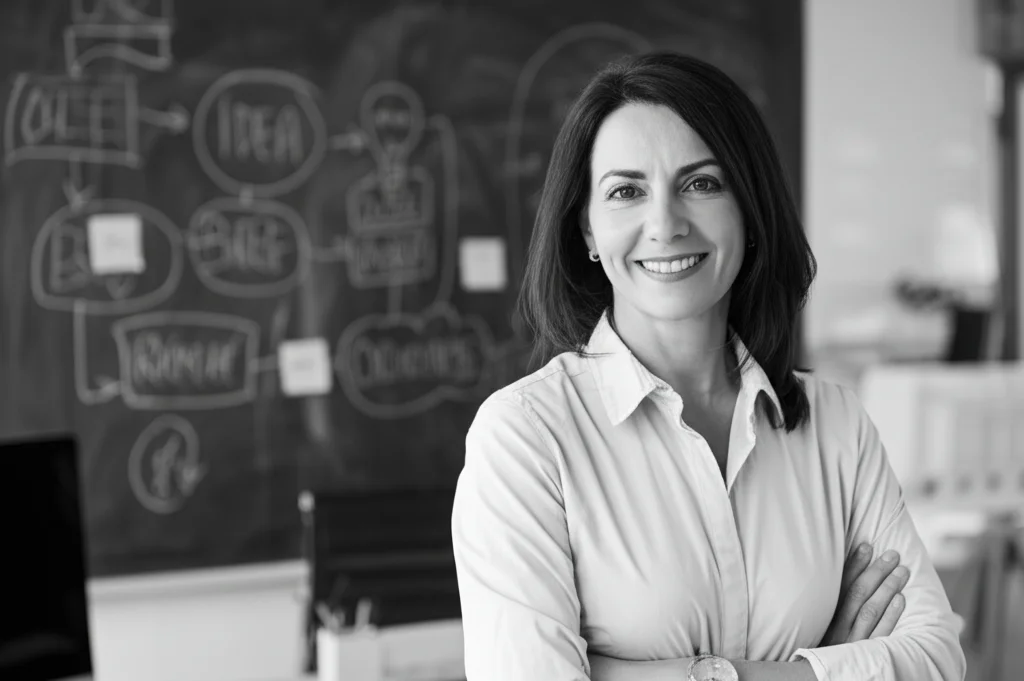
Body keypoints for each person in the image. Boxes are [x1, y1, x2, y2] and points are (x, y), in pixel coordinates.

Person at [450, 51, 966, 681]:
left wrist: (648, 672)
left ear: (749, 212)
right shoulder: (525, 437)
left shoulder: (836, 425)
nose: (664, 223)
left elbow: (936, 659)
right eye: (626, 191)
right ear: (586, 228)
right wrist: (827, 665)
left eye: (702, 183)